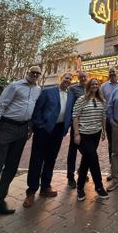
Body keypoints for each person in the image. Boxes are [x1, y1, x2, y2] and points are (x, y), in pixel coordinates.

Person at [0, 66, 42, 233]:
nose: (35, 75)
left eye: (38, 73)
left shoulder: (38, 89)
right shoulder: (14, 86)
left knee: (11, 168)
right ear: (27, 73)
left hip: (22, 131)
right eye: (33, 72)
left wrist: (30, 126)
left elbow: (32, 109)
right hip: (6, 128)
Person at [23, 72, 74, 208]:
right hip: (43, 131)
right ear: (60, 79)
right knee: (36, 160)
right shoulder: (48, 92)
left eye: (70, 79)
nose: (67, 80)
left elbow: (70, 112)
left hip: (58, 131)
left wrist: (66, 127)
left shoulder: (71, 95)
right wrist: (39, 125)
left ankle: (45, 187)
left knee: (51, 159)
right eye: (66, 78)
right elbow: (37, 109)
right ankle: (31, 191)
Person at [73, 78, 108, 201]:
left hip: (96, 134)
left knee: (86, 160)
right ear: (88, 86)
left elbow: (103, 116)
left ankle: (80, 187)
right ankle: (99, 186)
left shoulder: (101, 100)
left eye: (96, 84)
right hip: (84, 135)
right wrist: (76, 134)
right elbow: (75, 116)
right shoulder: (81, 100)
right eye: (92, 84)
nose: (94, 86)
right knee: (93, 158)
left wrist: (104, 130)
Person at [67, 71, 89, 188]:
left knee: (87, 151)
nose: (83, 78)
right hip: (76, 124)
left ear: (88, 77)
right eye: (81, 77)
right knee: (73, 151)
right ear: (78, 78)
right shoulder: (73, 89)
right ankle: (70, 177)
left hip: (88, 125)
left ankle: (82, 171)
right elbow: (69, 106)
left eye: (85, 76)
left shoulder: (92, 88)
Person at [101, 66, 118, 180]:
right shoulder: (103, 86)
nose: (112, 73)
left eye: (113, 71)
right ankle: (113, 170)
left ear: (117, 73)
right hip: (109, 120)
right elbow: (100, 101)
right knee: (111, 145)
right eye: (110, 72)